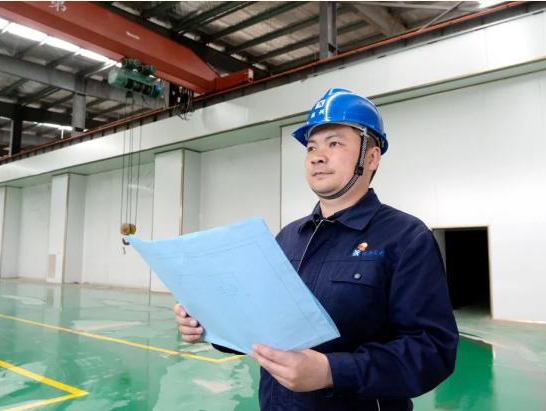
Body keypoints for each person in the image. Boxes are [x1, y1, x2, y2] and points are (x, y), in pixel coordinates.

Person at [174, 88, 458, 411]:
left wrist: (331, 372)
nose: (316, 156)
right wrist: (211, 323)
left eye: (334, 144)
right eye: (311, 146)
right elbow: (260, 323)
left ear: (371, 157)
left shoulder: (405, 238)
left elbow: (433, 351)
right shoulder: (288, 238)